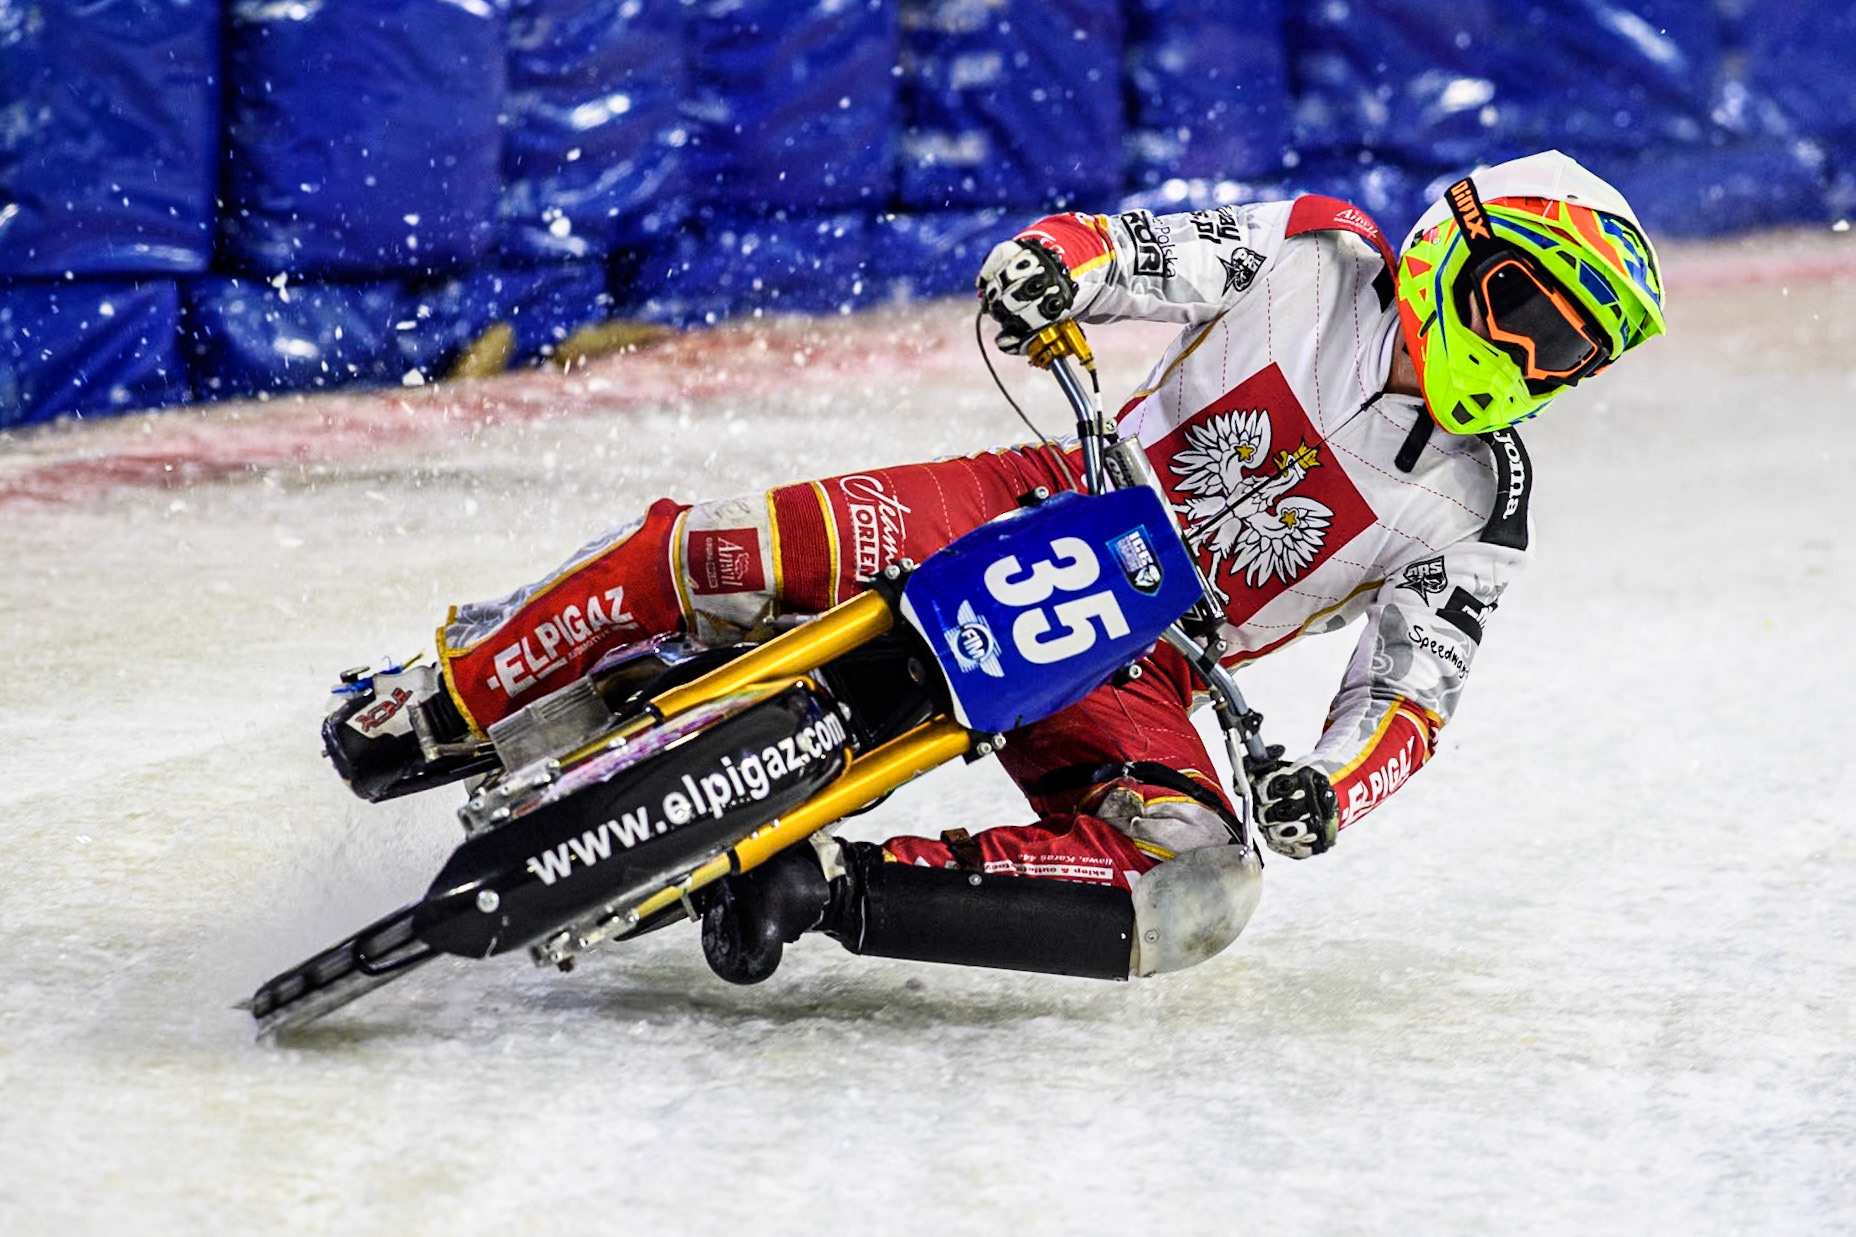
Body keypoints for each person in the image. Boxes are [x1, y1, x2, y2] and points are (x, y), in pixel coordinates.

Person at [329, 150, 1666, 984]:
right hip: (1039, 495)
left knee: (1200, 878)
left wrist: (1325, 787)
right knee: (723, 543)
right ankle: (447, 689)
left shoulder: (1481, 509)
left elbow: (1412, 697)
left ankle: (827, 888)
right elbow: (1150, 253)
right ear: (1451, 251)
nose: (1526, 363)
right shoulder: (1321, 250)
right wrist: (1051, 269)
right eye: (1524, 311)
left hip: (1145, 663)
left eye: (1566, 353)